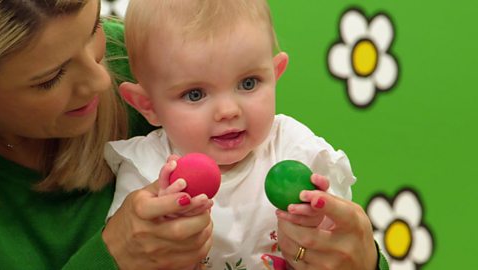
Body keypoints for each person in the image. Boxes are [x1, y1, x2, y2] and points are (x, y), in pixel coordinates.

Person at [105, 0, 389, 269]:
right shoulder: (144, 170)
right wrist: (164, 222)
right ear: (148, 105)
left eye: (248, 83)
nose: (228, 111)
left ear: (275, 74)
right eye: (195, 94)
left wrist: (317, 223)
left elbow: (343, 242)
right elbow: (129, 254)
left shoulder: (295, 147)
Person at [0, 0, 214, 269]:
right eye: (51, 78)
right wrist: (112, 256)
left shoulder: (145, 59)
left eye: (93, 28)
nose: (102, 80)